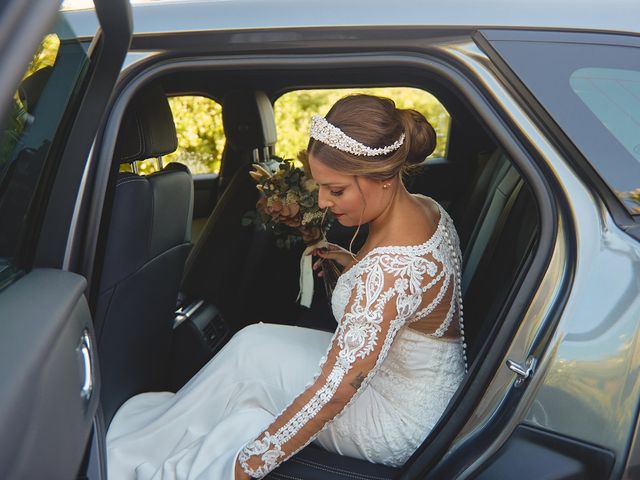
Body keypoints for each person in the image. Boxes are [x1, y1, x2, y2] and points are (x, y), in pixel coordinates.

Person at [106, 94, 467, 480]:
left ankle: (167, 461)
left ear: (383, 179)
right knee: (252, 344)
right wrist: (357, 268)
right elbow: (410, 297)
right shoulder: (426, 209)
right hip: (417, 384)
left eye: (337, 190)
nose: (324, 201)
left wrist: (250, 463)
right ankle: (160, 437)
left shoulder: (391, 271)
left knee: (251, 382)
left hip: (395, 419)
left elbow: (335, 393)